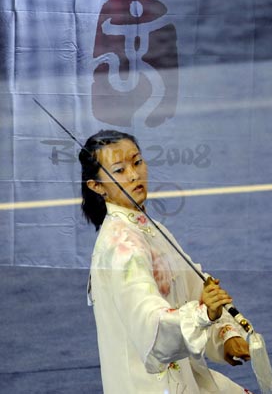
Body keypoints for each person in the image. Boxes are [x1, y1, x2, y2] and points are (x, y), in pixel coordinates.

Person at [79, 130, 253, 394]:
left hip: (184, 373)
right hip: (149, 382)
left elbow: (195, 284)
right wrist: (204, 314)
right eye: (120, 170)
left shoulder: (147, 227)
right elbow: (152, 326)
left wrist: (225, 333)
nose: (134, 175)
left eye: (137, 162)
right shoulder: (121, 248)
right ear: (97, 186)